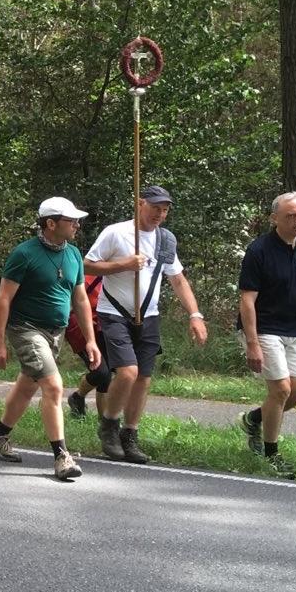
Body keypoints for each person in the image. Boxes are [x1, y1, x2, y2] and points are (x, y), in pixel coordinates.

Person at [72, 186, 209, 464]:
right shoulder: (116, 232)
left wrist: (195, 314)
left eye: (165, 209)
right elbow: (86, 266)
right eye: (156, 207)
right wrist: (123, 265)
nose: (160, 213)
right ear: (140, 203)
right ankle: (109, 425)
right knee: (127, 372)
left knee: (143, 378)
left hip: (149, 315)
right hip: (113, 313)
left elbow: (178, 279)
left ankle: (130, 434)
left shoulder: (165, 240)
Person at [0, 197, 101, 481]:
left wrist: (90, 340)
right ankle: (62, 456)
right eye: (71, 220)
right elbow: (3, 298)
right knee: (53, 385)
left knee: (27, 387)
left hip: (55, 333)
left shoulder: (73, 254)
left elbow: (81, 298)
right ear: (51, 223)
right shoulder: (24, 254)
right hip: (25, 328)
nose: (77, 224)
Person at [236, 191, 296, 479]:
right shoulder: (259, 250)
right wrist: (252, 343)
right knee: (281, 390)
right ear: (274, 218)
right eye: (291, 215)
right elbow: (247, 300)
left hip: (295, 328)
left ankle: (254, 418)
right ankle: (271, 453)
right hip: (264, 328)